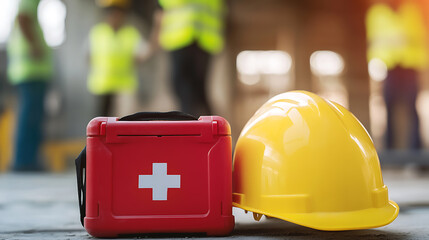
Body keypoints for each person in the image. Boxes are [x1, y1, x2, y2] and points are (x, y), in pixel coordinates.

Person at [366, 0, 427, 149]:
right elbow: (372, 41)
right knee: (388, 109)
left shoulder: (412, 10)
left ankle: (415, 152)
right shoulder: (376, 13)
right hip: (389, 68)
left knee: (412, 109)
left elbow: (421, 37)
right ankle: (389, 151)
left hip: (409, 66)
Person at [152, 0, 225, 116]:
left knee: (183, 88)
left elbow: (161, 10)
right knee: (199, 90)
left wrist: (154, 40)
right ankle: (211, 127)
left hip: (181, 37)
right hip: (206, 39)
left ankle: (190, 126)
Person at [7, 0, 53, 171]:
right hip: (31, 71)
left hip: (29, 72)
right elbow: (23, 18)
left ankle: (27, 159)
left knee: (31, 117)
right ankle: (24, 161)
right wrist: (35, 46)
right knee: (30, 118)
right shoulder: (29, 1)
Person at [88, 0, 149, 116]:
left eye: (117, 12)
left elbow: (142, 56)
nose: (114, 16)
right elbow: (89, 56)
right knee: (102, 122)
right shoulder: (97, 33)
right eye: (111, 12)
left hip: (124, 87)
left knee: (124, 122)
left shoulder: (131, 34)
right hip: (102, 87)